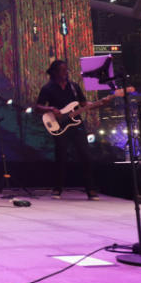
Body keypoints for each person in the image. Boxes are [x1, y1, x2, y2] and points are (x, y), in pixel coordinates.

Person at [35, 60, 100, 200]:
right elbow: (38, 107)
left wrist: (98, 104)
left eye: (66, 70)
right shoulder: (48, 88)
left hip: (76, 125)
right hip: (60, 126)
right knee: (61, 158)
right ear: (54, 72)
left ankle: (91, 190)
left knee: (85, 156)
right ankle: (57, 189)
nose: (65, 73)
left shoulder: (74, 87)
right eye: (62, 70)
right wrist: (51, 109)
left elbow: (83, 103)